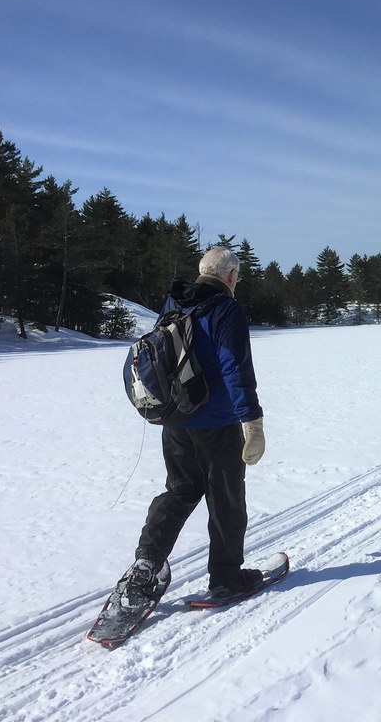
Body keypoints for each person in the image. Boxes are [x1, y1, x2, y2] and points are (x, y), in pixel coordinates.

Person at [125, 247, 267, 604]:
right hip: (216, 424)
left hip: (174, 420)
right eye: (238, 276)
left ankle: (147, 562)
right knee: (227, 500)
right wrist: (252, 422)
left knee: (179, 490)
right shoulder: (226, 309)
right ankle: (226, 578)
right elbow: (235, 367)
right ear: (231, 276)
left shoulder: (174, 302)